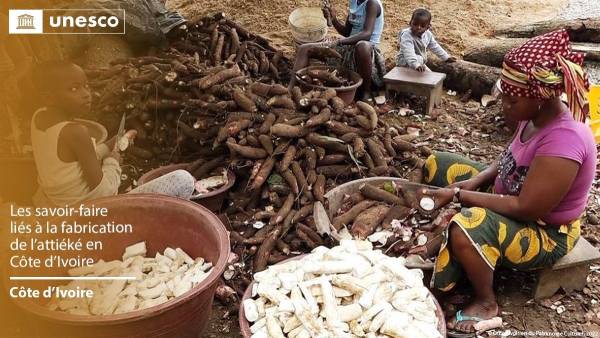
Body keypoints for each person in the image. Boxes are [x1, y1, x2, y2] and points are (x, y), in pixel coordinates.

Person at [414, 30, 595, 335]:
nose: (504, 106)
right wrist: (477, 179)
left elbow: (525, 208)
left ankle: (486, 301)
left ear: (541, 97)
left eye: (512, 100)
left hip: (545, 230)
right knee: (438, 162)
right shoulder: (534, 115)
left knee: (467, 224)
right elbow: (507, 159)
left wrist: (460, 195)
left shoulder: (565, 141)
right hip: (511, 194)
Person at [30, 60, 195, 207]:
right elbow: (105, 195)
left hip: (58, 207)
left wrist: (110, 145)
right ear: (49, 97)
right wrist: (113, 159)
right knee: (183, 180)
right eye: (74, 89)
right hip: (90, 217)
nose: (86, 94)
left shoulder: (39, 117)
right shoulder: (75, 132)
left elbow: (72, 164)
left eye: (86, 85)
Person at [290, 0, 386, 102]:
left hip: (367, 52)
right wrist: (333, 19)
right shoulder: (354, 2)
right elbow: (347, 32)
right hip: (348, 47)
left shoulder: (372, 3)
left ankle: (365, 92)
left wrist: (340, 42)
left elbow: (367, 34)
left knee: (362, 45)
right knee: (304, 49)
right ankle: (290, 89)